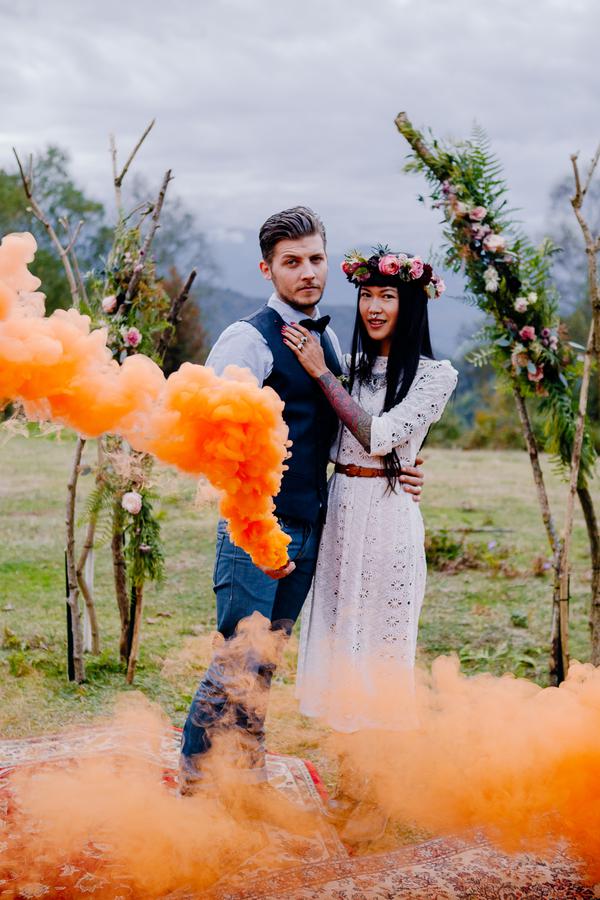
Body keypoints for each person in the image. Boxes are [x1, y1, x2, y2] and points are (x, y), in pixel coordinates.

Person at [179, 210, 425, 815]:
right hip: (256, 524)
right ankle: (194, 783)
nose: (308, 272)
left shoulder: (330, 339)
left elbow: (347, 427)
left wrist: (399, 467)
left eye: (316, 259)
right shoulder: (247, 338)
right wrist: (252, 513)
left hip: (312, 522)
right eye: (292, 262)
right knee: (238, 656)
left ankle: (246, 779)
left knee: (268, 660)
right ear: (268, 268)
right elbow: (207, 432)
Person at [285, 245, 458, 839]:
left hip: (387, 523)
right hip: (341, 514)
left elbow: (380, 435)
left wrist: (321, 374)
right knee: (341, 652)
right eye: (367, 294)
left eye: (389, 296)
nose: (375, 306)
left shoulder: (436, 375)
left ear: (411, 305)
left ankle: (380, 797)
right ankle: (349, 787)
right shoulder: (349, 365)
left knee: (380, 657)